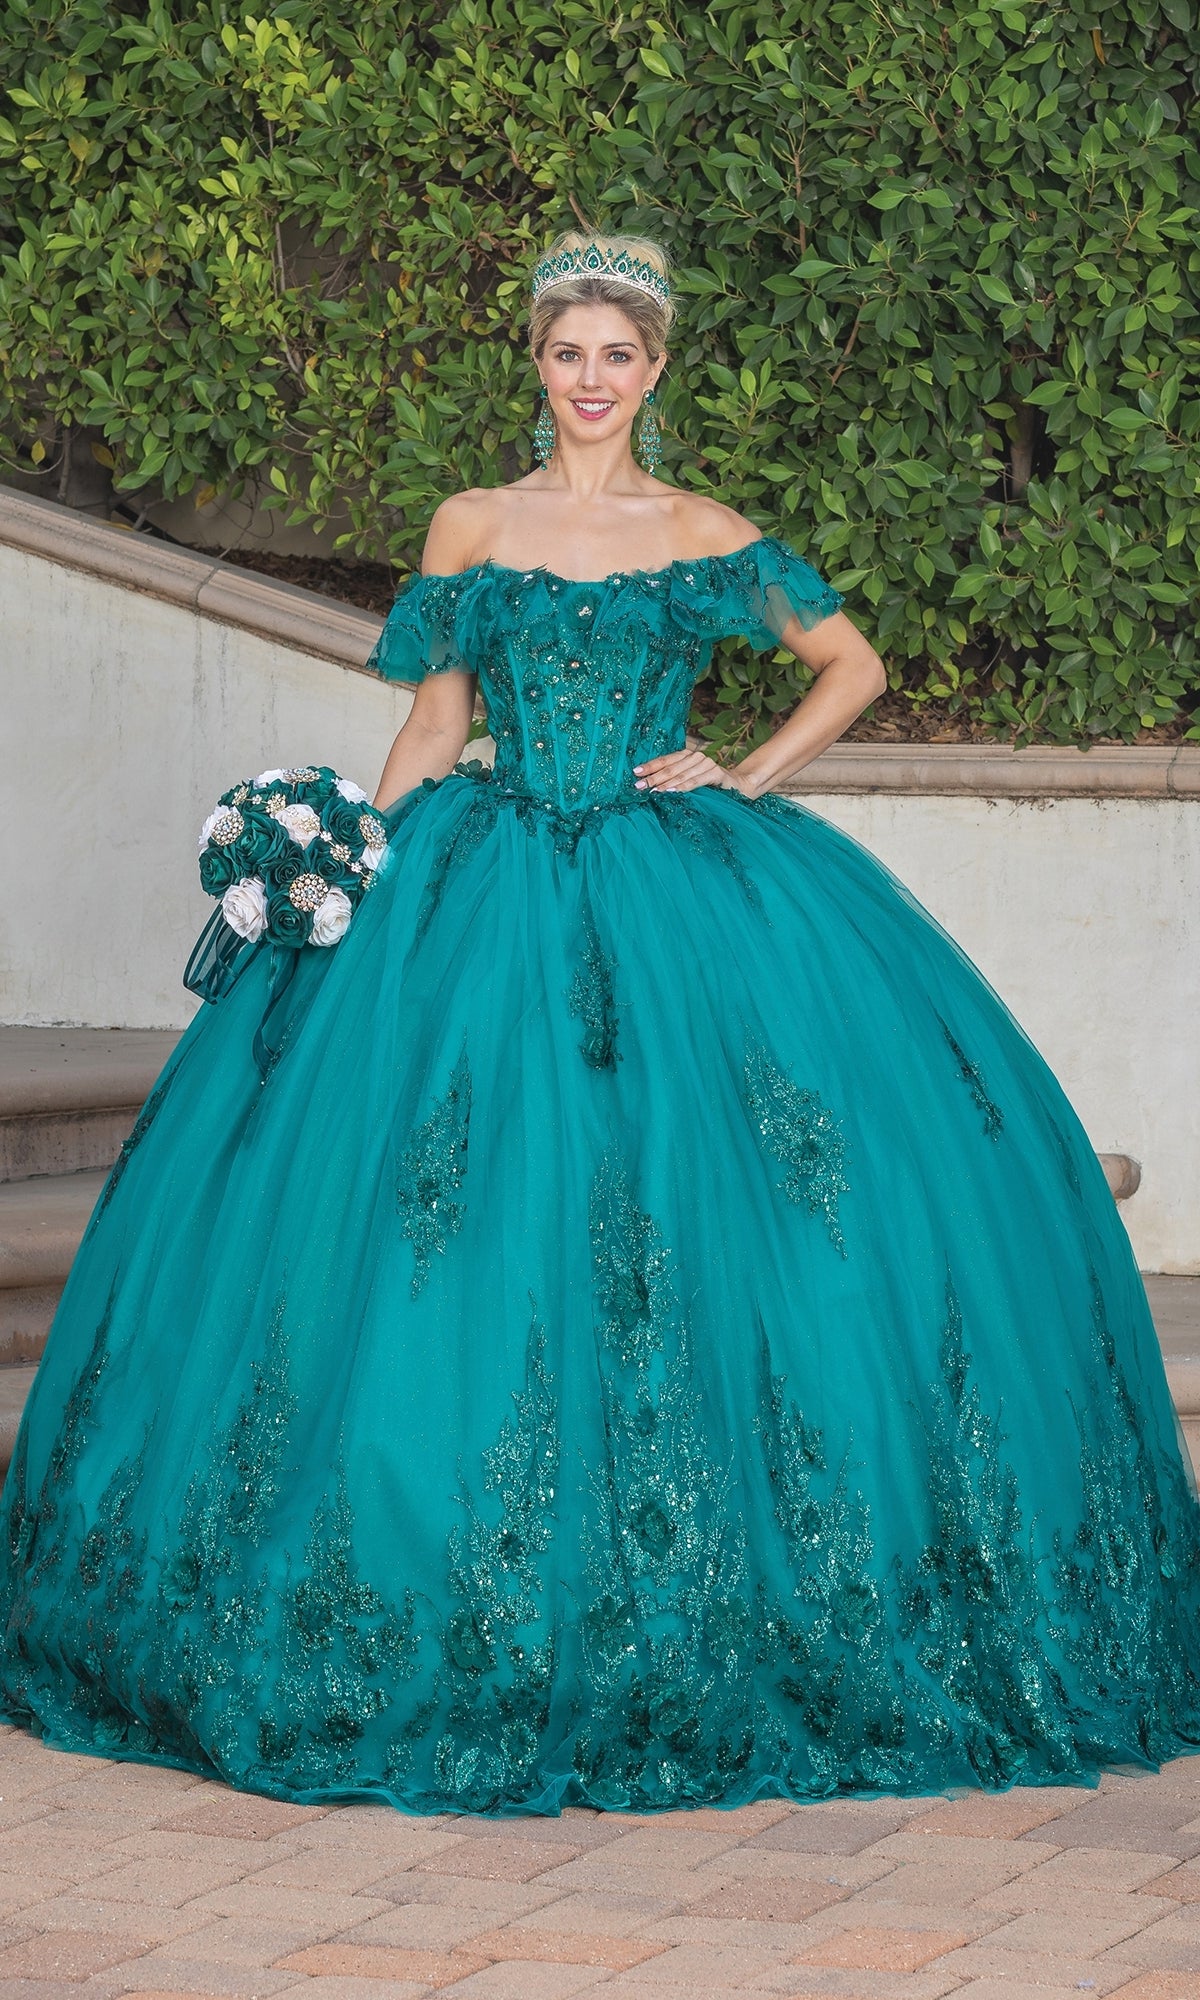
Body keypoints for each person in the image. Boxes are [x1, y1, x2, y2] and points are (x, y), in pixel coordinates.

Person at [2, 231, 1198, 1819]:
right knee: (438, 1220)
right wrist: (343, 877)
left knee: (725, 1205)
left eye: (615, 356)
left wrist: (745, 772)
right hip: (477, 880)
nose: (588, 380)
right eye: (566, 353)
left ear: (656, 369)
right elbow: (435, 715)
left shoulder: (704, 532)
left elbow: (851, 662)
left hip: (673, 888)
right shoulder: (474, 524)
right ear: (538, 363)